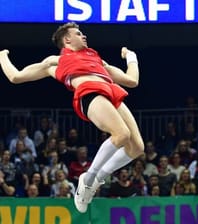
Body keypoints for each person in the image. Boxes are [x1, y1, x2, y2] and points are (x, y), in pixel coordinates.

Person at [0, 22, 144, 213]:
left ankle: (95, 178)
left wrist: (130, 56)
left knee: (137, 148)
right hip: (89, 93)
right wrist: (2, 55)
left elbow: (132, 80)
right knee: (121, 135)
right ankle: (89, 178)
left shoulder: (97, 59)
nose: (84, 36)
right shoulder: (55, 61)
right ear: (67, 39)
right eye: (78, 33)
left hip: (112, 94)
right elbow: (16, 77)